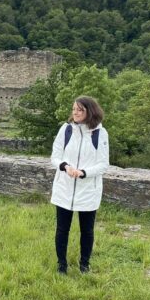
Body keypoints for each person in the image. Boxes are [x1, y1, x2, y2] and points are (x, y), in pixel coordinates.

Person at [50, 96, 109, 274]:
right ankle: (62, 265)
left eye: (79, 110)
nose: (75, 112)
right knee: (62, 229)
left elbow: (103, 164)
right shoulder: (66, 130)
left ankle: (85, 265)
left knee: (87, 230)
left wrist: (84, 173)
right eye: (74, 109)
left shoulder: (100, 134)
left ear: (89, 112)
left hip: (88, 190)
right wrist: (65, 166)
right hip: (65, 188)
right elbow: (55, 156)